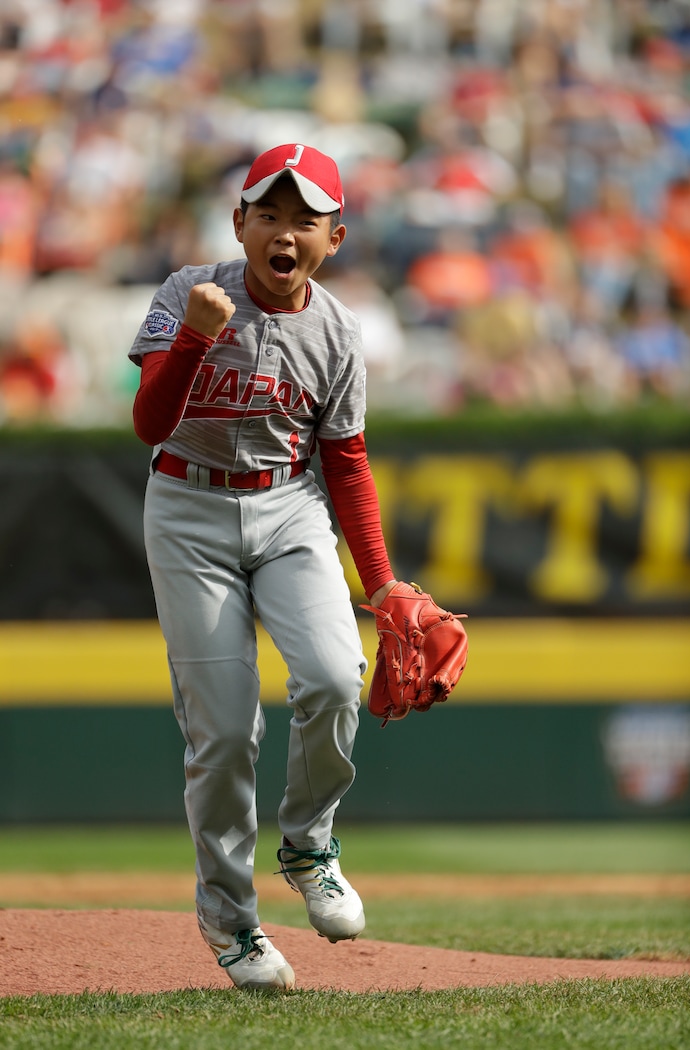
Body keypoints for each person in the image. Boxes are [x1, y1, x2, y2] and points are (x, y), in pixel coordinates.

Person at [129, 143, 398, 991]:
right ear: (240, 222)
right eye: (269, 215)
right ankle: (233, 924)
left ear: (336, 237)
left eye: (305, 220)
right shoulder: (188, 292)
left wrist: (382, 581)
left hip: (288, 506)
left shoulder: (338, 331)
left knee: (331, 675)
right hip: (187, 504)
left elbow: (347, 464)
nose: (285, 232)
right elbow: (149, 421)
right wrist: (196, 341)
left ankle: (309, 840)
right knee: (223, 731)